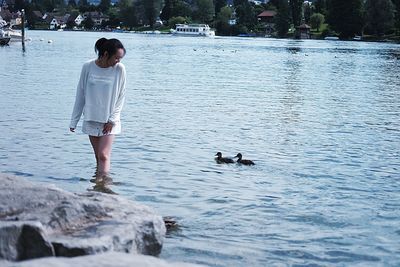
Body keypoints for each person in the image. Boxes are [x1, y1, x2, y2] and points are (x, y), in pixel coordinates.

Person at [69, 38, 126, 181]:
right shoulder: (87, 67)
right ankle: (97, 186)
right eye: (116, 57)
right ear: (106, 54)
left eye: (120, 58)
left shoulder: (120, 69)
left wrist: (112, 120)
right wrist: (74, 121)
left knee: (104, 155)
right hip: (91, 118)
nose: (118, 61)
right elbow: (80, 94)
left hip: (109, 121)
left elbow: (121, 97)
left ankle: (104, 186)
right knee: (98, 156)